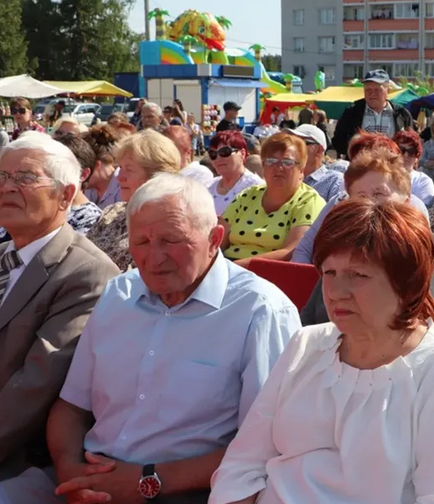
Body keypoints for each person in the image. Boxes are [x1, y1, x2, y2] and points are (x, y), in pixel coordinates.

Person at [21, 174, 301, 504]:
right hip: (85, 481)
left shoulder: (260, 310)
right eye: (141, 242)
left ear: (214, 239)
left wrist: (147, 482)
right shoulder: (119, 293)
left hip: (188, 493)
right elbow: (71, 407)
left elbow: (263, 446)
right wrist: (71, 472)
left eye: (171, 241)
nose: (154, 258)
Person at [208, 199, 434, 504]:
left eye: (359, 275)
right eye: (329, 273)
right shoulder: (306, 344)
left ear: (407, 284)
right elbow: (242, 464)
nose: (336, 291)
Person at [0, 134, 119, 484]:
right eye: (1, 176)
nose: (6, 187)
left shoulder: (87, 273)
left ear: (66, 195)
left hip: (18, 464)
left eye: (26, 177)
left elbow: (35, 384)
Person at [300, 149, 434, 337]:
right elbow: (309, 318)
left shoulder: (430, 246)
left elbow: (424, 321)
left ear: (407, 202)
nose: (369, 203)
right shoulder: (340, 248)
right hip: (334, 351)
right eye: (360, 196)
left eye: (379, 194)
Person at [291, 133, 432, 263]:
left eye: (379, 194)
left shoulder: (414, 208)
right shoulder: (340, 202)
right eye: (358, 160)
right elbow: (306, 249)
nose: (368, 201)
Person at [220, 133, 325, 265]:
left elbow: (291, 251)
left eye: (287, 162)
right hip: (227, 267)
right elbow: (218, 239)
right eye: (271, 161)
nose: (278, 167)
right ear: (263, 166)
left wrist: (236, 268)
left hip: (270, 274)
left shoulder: (309, 201)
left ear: (301, 170)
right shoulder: (248, 195)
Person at [87, 130, 182, 271]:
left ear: (155, 175)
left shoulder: (171, 223)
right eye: (120, 168)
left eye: (129, 169)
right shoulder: (113, 212)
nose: (120, 177)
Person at [332, 69, 413, 156]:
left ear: (388, 91)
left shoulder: (401, 114)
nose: (372, 94)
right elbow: (338, 142)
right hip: (361, 166)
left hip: (392, 166)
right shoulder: (352, 112)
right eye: (368, 89)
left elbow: (412, 143)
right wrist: (358, 144)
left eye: (377, 89)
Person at [52, 134, 105, 235]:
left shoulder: (91, 218)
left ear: (83, 174)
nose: (52, 172)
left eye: (60, 167)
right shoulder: (43, 209)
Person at [206, 130, 264, 216]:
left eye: (225, 152)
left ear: (242, 154)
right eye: (213, 154)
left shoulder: (257, 188)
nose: (218, 158)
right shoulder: (208, 187)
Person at [289, 124, 344, 202]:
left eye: (300, 143)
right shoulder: (286, 176)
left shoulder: (334, 181)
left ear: (319, 150)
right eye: (290, 142)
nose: (291, 148)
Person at [81, 124, 122, 209]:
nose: (80, 175)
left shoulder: (124, 186)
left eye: (82, 167)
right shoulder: (88, 189)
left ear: (96, 165)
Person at [394, 130, 434, 206]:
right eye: (401, 150)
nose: (406, 155)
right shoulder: (383, 177)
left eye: (411, 151)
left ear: (417, 157)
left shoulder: (423, 181)